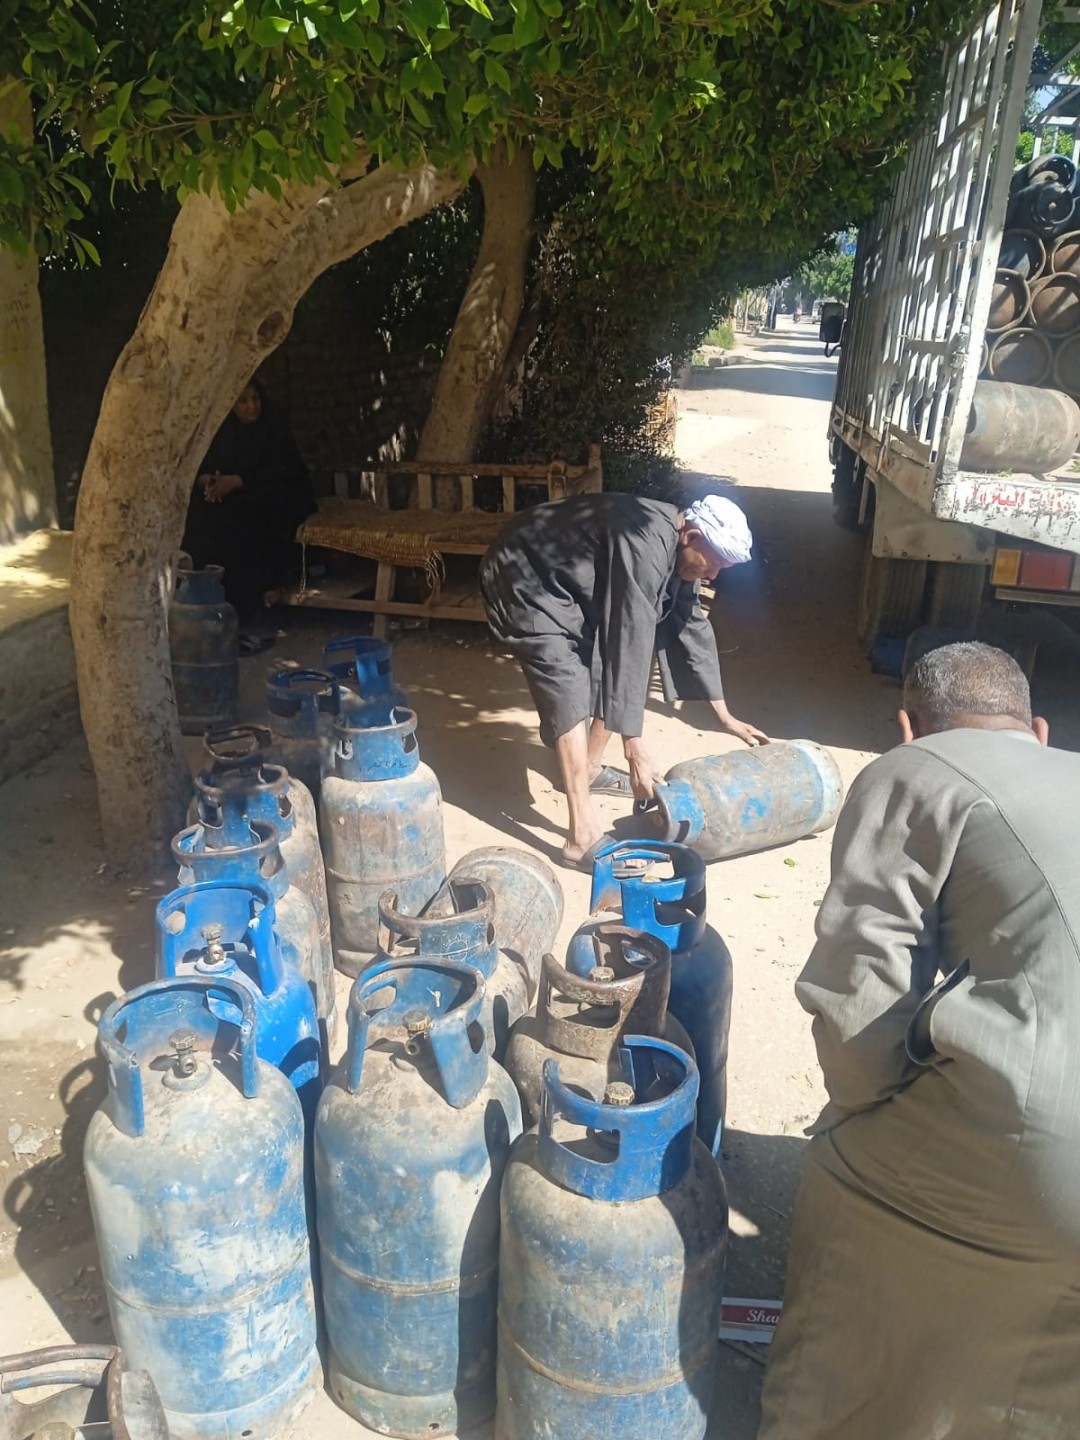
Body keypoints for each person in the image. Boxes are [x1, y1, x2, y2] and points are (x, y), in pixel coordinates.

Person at [757, 642, 1080, 1440]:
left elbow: (858, 1009)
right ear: (1038, 729)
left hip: (1052, 1149)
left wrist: (868, 1103)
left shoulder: (916, 769)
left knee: (846, 1164)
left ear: (907, 727)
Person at [479, 490, 768, 869]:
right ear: (692, 536)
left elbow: (690, 623)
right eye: (713, 563)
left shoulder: (681, 550)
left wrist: (724, 715)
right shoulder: (647, 542)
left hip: (564, 584)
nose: (713, 575)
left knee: (611, 665)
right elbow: (630, 632)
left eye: (720, 569)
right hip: (524, 576)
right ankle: (581, 838)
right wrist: (634, 747)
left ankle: (588, 767)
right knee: (565, 679)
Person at [182, 379, 315, 619]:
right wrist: (211, 483)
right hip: (231, 495)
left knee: (252, 515)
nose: (251, 407)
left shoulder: (273, 427)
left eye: (255, 399)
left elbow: (285, 472)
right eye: (242, 401)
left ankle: (260, 592)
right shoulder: (222, 431)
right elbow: (200, 468)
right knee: (204, 514)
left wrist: (238, 481)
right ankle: (211, 594)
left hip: (277, 493)